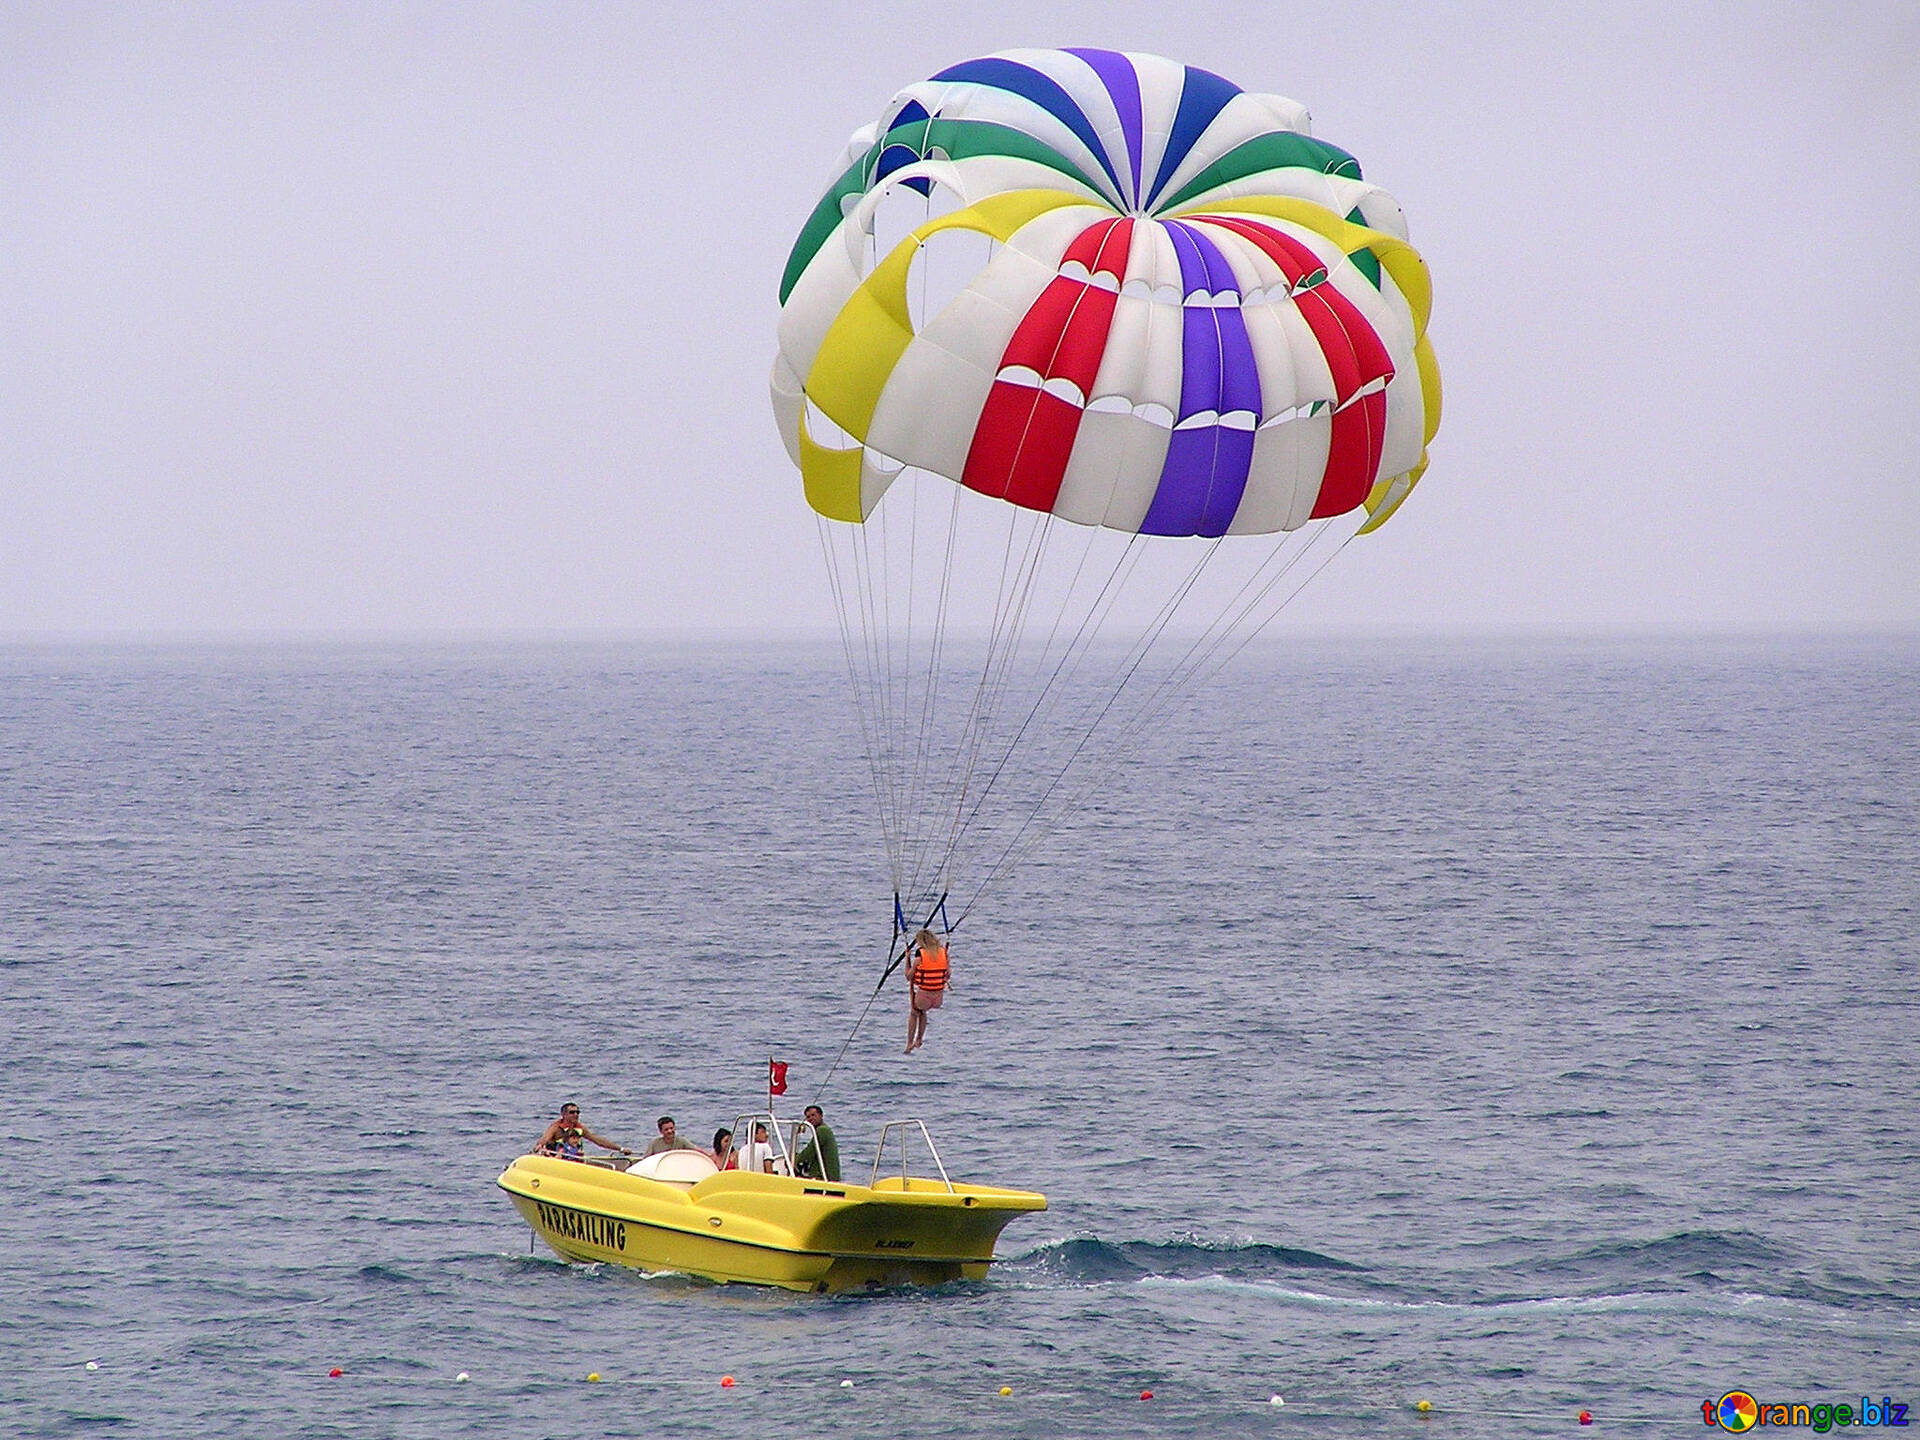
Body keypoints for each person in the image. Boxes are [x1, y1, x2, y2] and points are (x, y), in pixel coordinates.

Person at [533, 1102, 630, 1162]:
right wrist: (539, 1145)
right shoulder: (556, 1127)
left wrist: (620, 1149)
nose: (575, 1115)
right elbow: (545, 1138)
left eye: (577, 1112)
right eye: (572, 1112)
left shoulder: (580, 1128)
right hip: (558, 1161)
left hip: (574, 1161)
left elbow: (597, 1140)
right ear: (563, 1114)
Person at [905, 928, 949, 1053]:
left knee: (914, 1013)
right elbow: (948, 974)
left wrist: (907, 960)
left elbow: (909, 976)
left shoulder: (920, 954)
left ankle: (909, 1043)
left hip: (924, 995)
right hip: (938, 998)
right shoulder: (943, 952)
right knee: (922, 1012)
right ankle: (919, 1039)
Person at [794, 1104, 841, 1182]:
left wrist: (794, 1160)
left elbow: (809, 1152)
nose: (811, 1119)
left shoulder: (822, 1131)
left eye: (813, 1115)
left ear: (821, 1115)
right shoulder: (823, 1130)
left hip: (824, 1176)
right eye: (808, 1117)